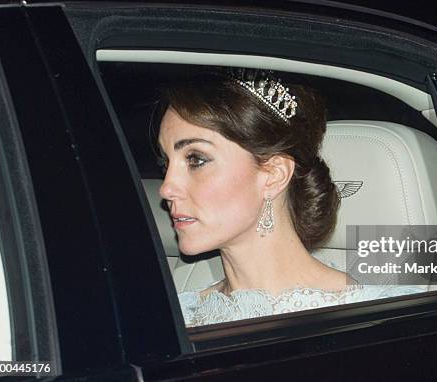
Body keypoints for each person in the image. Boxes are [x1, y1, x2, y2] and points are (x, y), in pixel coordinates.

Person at [156, 68, 423, 327]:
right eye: (166, 163)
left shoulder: (373, 320)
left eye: (196, 160)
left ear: (273, 175)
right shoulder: (178, 315)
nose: (166, 189)